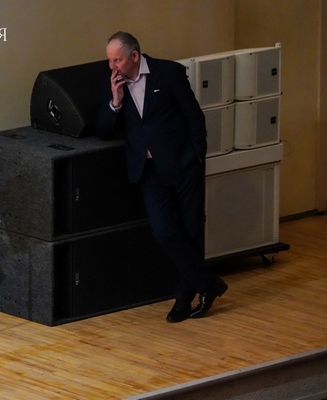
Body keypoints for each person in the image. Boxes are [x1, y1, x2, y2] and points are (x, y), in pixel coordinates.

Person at [95, 31, 227, 323]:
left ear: (134, 56)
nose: (112, 66)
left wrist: (198, 156)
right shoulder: (112, 84)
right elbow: (103, 130)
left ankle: (183, 298)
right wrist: (115, 101)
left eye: (116, 60)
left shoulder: (168, 73)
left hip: (183, 165)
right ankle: (208, 284)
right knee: (163, 230)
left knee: (191, 231)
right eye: (109, 60)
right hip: (148, 172)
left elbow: (194, 116)